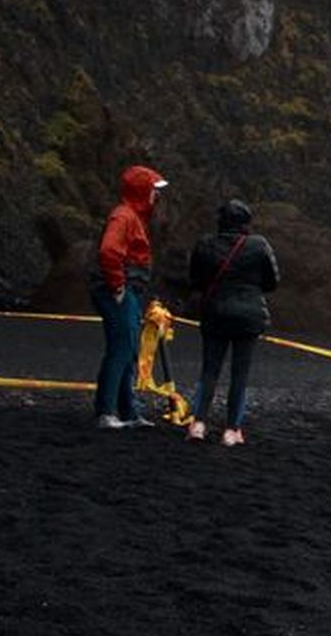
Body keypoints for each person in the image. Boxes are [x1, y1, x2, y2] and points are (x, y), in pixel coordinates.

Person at [187, 199, 279, 446]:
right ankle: (232, 430)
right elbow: (272, 281)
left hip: (215, 312)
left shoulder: (205, 244)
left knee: (209, 370)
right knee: (240, 373)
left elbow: (195, 279)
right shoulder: (259, 245)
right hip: (248, 315)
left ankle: (198, 424)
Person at [90, 164, 168, 429]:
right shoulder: (123, 216)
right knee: (121, 349)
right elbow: (108, 251)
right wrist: (117, 285)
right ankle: (107, 412)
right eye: (153, 191)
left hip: (128, 291)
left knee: (129, 350)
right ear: (143, 191)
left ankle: (127, 411)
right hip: (118, 293)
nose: (156, 197)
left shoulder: (133, 217)